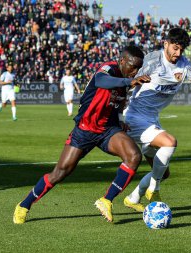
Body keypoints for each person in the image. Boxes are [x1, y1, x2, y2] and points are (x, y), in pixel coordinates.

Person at [13, 45, 151, 224]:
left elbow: (117, 105)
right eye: (132, 66)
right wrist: (128, 82)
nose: (134, 71)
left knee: (133, 156)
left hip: (107, 130)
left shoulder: (125, 80)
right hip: (84, 130)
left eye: (137, 69)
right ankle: (24, 205)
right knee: (60, 173)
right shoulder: (109, 68)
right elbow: (102, 81)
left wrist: (120, 121)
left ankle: (106, 200)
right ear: (122, 60)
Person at [122, 27, 191, 212]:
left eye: (181, 49)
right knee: (170, 142)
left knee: (163, 172)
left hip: (152, 120)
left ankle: (133, 198)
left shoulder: (183, 64)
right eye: (174, 48)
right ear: (166, 43)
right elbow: (127, 79)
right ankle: (153, 190)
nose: (177, 53)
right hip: (134, 116)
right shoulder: (152, 60)